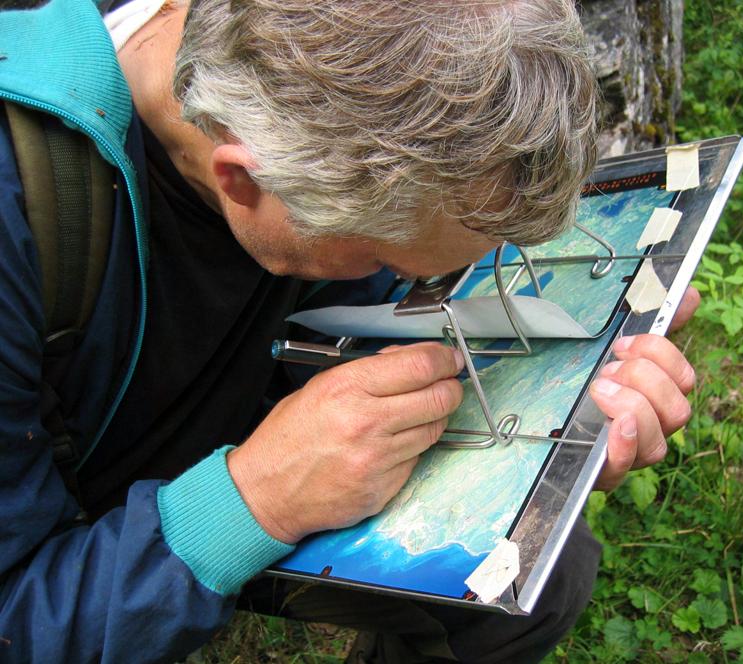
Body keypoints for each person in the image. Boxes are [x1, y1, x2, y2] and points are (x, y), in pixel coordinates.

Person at [0, 0, 699, 662]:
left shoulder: (301, 123)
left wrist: (548, 420)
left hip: (234, 430)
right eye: (390, 260)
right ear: (242, 183)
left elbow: (362, 327)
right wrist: (255, 500)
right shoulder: (23, 210)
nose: (398, 283)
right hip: (74, 532)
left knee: (537, 571)